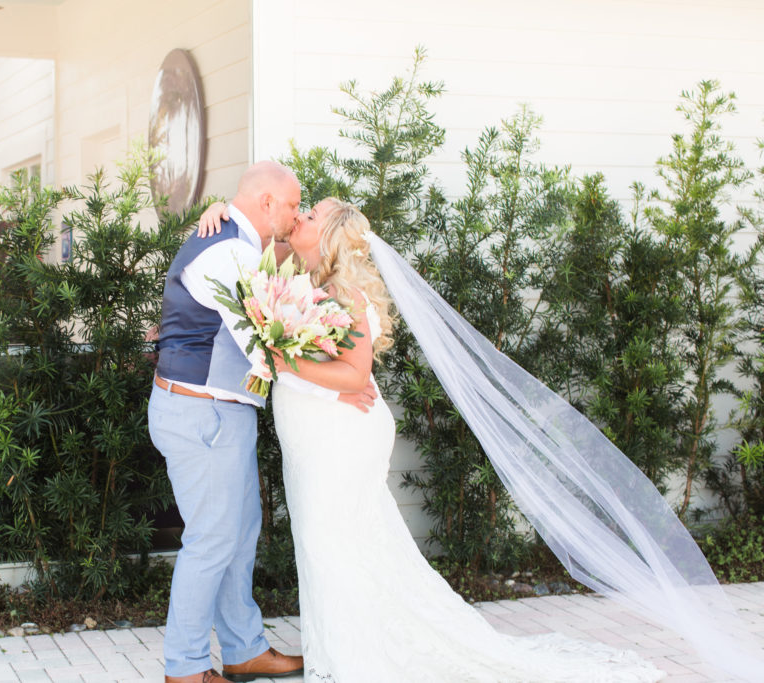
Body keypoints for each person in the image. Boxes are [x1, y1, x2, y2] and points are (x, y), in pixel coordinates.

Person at [198, 198, 674, 681]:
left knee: (334, 544)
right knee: (328, 544)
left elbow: (354, 374)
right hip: (314, 435)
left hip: (339, 436)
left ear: (329, 236)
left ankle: (358, 659)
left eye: (313, 214)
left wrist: (280, 363)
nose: (301, 216)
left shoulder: (344, 293)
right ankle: (343, 648)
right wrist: (222, 208)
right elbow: (255, 242)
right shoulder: (301, 275)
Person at [148, 163, 375, 683]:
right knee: (211, 539)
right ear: (268, 203)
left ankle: (244, 648)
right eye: (293, 204)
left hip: (220, 412)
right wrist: (337, 385)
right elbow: (263, 347)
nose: (297, 214)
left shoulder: (239, 243)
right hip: (202, 411)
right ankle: (183, 670)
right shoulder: (229, 251)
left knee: (242, 530)